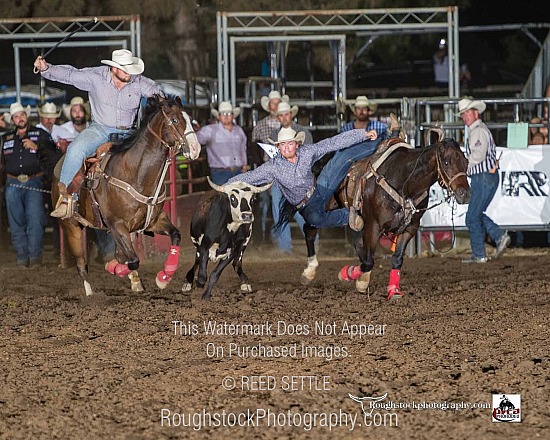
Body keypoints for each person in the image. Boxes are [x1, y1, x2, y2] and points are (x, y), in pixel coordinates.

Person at [33, 49, 162, 219]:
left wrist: (162, 99)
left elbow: (155, 90)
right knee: (76, 150)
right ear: (114, 69)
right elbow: (70, 75)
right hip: (100, 128)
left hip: (129, 131)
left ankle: (151, 199)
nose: (129, 74)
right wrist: (46, 68)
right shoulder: (95, 77)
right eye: (125, 69)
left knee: (152, 152)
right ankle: (67, 200)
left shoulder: (137, 81)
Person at [226, 127, 379, 231]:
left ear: (297, 145)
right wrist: (226, 186)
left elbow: (332, 143)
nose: (286, 147)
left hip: (320, 186)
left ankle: (384, 143)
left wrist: (362, 134)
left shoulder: (307, 152)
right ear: (278, 147)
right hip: (306, 205)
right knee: (315, 219)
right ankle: (350, 215)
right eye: (283, 144)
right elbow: (250, 176)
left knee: (342, 157)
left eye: (290, 143)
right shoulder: (272, 167)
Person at [0, 102, 56, 267]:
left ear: (27, 116)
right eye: (16, 116)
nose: (20, 118)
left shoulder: (40, 134)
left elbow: (53, 155)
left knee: (35, 219)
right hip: (12, 182)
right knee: (16, 221)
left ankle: (35, 257)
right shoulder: (6, 137)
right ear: (12, 120)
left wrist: (37, 147)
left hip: (34, 180)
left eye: (22, 115)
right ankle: (22, 257)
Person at [457, 98, 511, 263]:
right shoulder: (478, 130)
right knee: (475, 215)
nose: (464, 116)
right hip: (485, 176)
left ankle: (486, 248)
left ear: (475, 113)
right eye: (463, 114)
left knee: (472, 217)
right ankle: (494, 240)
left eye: (467, 113)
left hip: (483, 176)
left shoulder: (478, 131)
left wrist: (462, 166)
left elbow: (478, 156)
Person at [269, 101, 313, 253]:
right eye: (280, 115)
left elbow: (309, 157)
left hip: (299, 180)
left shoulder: (303, 133)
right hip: (279, 180)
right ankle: (284, 247)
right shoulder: (274, 134)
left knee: (304, 212)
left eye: (286, 114)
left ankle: (312, 244)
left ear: (291, 114)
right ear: (278, 117)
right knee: (279, 211)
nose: (283, 117)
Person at [251, 90, 289, 241]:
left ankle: (277, 237)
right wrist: (262, 168)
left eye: (278, 103)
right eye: (274, 103)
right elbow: (254, 149)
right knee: (265, 202)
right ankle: (262, 236)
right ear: (269, 106)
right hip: (267, 168)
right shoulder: (260, 126)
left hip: (284, 170)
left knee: (279, 203)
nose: (276, 106)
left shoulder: (286, 124)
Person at [195, 101, 247, 185]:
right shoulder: (209, 130)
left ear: (233, 115)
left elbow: (243, 149)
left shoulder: (239, 131)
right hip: (220, 173)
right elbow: (197, 139)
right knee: (223, 196)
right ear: (218, 116)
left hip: (238, 171)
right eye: (223, 114)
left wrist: (244, 165)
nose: (226, 116)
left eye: (229, 113)